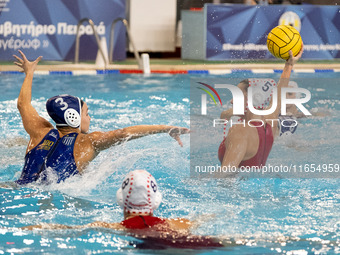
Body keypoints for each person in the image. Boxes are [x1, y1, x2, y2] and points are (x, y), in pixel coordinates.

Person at [13, 51, 189, 185]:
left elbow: (23, 105)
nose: (89, 117)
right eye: (86, 113)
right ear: (72, 117)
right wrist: (166, 128)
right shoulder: (87, 142)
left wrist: (29, 73)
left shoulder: (40, 131)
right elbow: (125, 132)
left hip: (18, 188)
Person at [22, 170, 223, 249]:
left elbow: (68, 230)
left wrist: (32, 227)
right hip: (194, 245)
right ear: (156, 201)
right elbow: (205, 218)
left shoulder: (117, 227)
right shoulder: (178, 223)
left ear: (120, 199)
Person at [218, 45, 303, 172]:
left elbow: (225, 175)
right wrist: (289, 65)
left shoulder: (240, 130)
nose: (231, 101)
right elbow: (278, 96)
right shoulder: (270, 123)